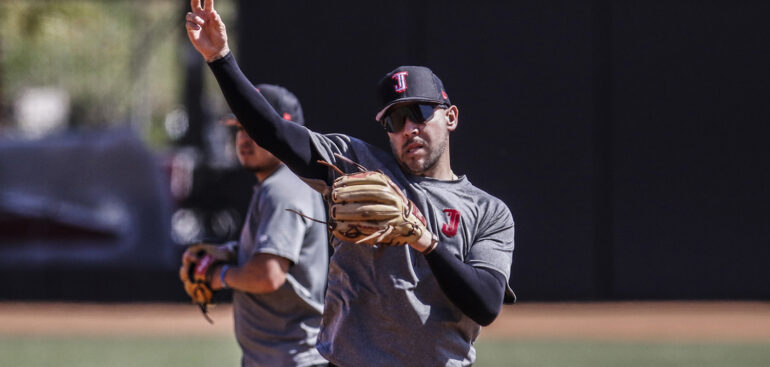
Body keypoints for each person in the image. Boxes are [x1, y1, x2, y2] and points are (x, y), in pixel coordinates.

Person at [185, 1, 516, 365]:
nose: (409, 129)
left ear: (450, 117)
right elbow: (274, 132)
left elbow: (486, 305)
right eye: (395, 120)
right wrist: (220, 58)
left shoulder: (488, 212)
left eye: (420, 112)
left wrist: (425, 240)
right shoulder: (355, 165)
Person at [181, 83, 330, 367]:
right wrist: (227, 252)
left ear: (284, 131)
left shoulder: (283, 188)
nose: (243, 138)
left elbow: (268, 275)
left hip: (292, 360)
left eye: (255, 127)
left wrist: (217, 275)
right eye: (239, 127)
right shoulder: (280, 183)